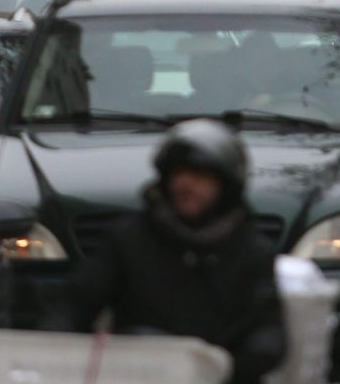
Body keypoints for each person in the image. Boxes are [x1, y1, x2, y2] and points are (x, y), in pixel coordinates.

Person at [70, 119, 287, 383]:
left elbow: (268, 326)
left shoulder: (251, 251)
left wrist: (242, 363)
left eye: (201, 176)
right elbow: (76, 302)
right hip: (139, 374)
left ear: (226, 186)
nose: (186, 184)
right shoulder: (128, 238)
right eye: (179, 174)